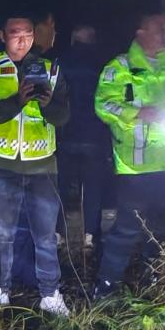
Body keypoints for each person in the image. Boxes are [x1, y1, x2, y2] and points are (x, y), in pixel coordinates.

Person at [93, 12, 165, 297]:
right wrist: (136, 113)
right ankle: (106, 287)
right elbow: (103, 105)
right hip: (135, 166)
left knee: (162, 228)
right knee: (127, 230)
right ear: (140, 32)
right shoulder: (120, 67)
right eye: (159, 29)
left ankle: (151, 281)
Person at [0, 14, 71, 314]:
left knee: (45, 236)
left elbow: (63, 116)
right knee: (2, 233)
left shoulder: (50, 69)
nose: (23, 40)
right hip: (1, 164)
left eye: (28, 34)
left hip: (42, 165)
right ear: (2, 35)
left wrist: (47, 105)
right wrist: (18, 99)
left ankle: (50, 294)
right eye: (15, 34)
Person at [55, 21, 111, 253]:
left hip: (65, 133)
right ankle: (90, 235)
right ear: (93, 40)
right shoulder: (103, 64)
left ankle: (57, 234)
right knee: (93, 187)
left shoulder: (60, 62)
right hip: (94, 135)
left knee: (61, 185)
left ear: (73, 39)